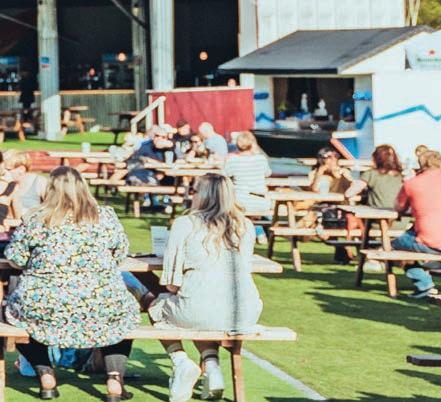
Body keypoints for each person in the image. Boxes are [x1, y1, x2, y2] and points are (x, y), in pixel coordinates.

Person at [5, 166, 140, 400]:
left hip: (45, 304)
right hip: (101, 302)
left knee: (13, 314)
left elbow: (16, 259)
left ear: (50, 189)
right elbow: (120, 254)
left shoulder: (35, 218)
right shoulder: (105, 216)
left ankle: (46, 375)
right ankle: (114, 381)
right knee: (123, 315)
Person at [148, 174, 263, 401]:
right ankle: (212, 366)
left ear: (201, 194)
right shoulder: (246, 225)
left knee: (159, 306)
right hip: (245, 312)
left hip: (204, 309)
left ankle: (180, 361)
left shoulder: (185, 224)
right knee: (200, 305)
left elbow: (171, 284)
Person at [391, 150, 441, 298]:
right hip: (438, 236)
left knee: (392, 246)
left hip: (430, 239)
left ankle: (424, 283)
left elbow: (399, 207)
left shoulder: (412, 183)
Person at [224, 131, 272, 244]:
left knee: (234, 206)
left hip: (241, 201)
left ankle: (258, 233)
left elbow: (223, 176)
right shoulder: (261, 159)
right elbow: (268, 173)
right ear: (253, 144)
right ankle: (260, 233)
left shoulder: (233, 161)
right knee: (252, 211)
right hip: (261, 201)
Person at [345, 145, 403, 209]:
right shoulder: (400, 175)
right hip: (396, 212)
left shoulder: (372, 174)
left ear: (376, 158)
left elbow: (349, 194)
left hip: (377, 212)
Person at [3, 150, 47, 218]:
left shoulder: (40, 183)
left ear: (21, 170)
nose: (3, 173)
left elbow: (52, 210)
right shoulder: (3, 184)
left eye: (7, 169)